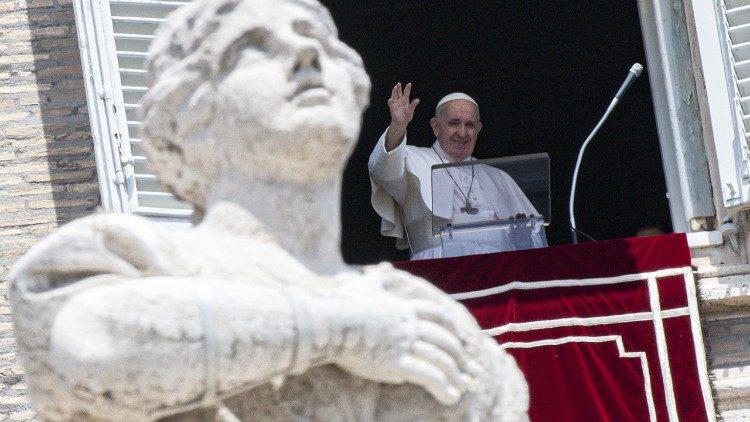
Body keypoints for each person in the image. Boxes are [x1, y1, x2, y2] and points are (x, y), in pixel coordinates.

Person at [8, 0, 529, 420]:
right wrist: (342, 328)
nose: (307, 53)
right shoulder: (118, 261)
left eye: (322, 42)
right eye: (254, 47)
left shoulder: (433, 320)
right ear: (187, 116)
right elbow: (94, 345)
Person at [369, 83, 544, 260]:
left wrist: (523, 240)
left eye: (469, 125)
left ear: (477, 130)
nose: (462, 132)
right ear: (436, 126)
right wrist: (398, 126)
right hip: (435, 270)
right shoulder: (412, 160)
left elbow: (537, 239)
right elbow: (383, 169)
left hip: (497, 272)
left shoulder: (499, 177)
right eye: (454, 123)